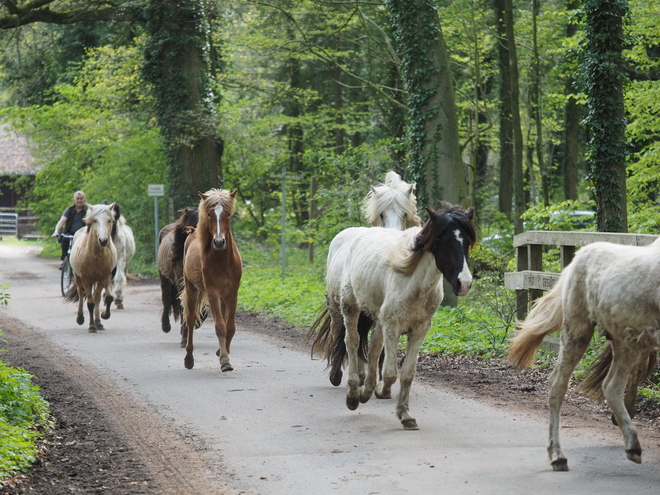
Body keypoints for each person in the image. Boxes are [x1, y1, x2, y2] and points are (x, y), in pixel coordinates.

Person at [51, 191, 89, 264]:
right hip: (70, 233)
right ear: (74, 200)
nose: (79, 200)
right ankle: (64, 260)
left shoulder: (87, 210)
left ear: (84, 200)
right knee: (65, 240)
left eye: (81, 199)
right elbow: (62, 221)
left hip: (83, 234)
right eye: (77, 199)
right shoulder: (69, 210)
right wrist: (56, 231)